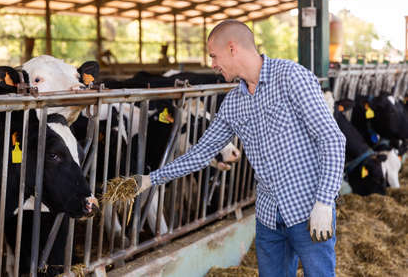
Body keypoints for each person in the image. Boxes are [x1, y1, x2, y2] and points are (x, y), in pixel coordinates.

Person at [135, 19, 346, 277]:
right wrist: (150, 179)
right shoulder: (233, 103)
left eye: (214, 56)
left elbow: (332, 138)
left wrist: (324, 201)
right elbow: (202, 152)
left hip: (309, 209)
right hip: (269, 215)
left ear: (232, 48)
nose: (212, 64)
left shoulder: (291, 76)